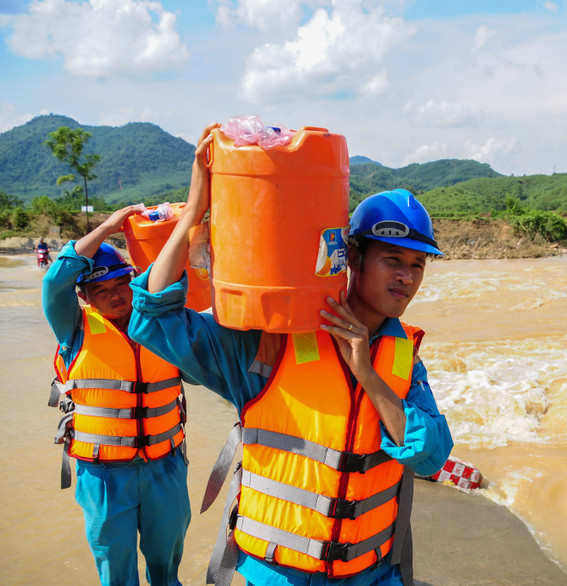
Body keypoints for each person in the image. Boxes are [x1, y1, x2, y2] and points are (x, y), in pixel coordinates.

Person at [127, 123, 454, 586]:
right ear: (351, 257)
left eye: (417, 265)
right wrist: (195, 211)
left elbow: (431, 456)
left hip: (372, 574)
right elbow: (155, 318)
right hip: (278, 573)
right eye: (392, 261)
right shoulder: (273, 340)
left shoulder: (404, 357)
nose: (407, 277)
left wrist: (367, 373)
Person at [41, 209, 191, 586]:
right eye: (101, 291)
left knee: (167, 567)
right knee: (116, 571)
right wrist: (108, 228)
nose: (116, 296)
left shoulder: (161, 323)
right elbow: (54, 282)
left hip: (166, 466)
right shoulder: (73, 330)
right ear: (84, 297)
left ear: (133, 280)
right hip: (103, 474)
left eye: (121, 284)